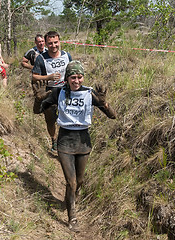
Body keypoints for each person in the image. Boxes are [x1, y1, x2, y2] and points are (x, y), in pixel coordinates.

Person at [33, 61, 117, 232]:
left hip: (83, 140)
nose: (76, 81)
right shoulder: (58, 92)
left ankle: (70, 198)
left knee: (79, 181)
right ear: (67, 78)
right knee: (71, 182)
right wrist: (38, 99)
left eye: (79, 77)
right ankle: (73, 218)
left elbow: (113, 116)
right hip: (65, 140)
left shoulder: (89, 93)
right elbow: (37, 111)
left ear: (83, 77)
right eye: (73, 77)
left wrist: (104, 103)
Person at [32, 31, 72, 152]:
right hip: (50, 92)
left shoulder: (66, 55)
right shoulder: (41, 58)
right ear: (46, 44)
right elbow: (34, 76)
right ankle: (54, 139)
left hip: (66, 91)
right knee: (50, 119)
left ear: (59, 42)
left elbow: (73, 71)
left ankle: (66, 141)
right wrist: (48, 77)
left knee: (67, 118)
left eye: (55, 42)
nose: (53, 45)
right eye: (50, 43)